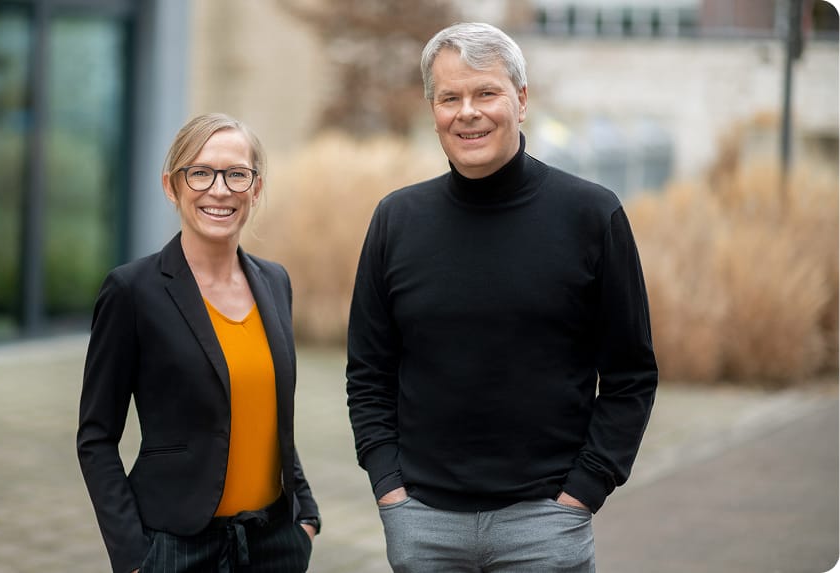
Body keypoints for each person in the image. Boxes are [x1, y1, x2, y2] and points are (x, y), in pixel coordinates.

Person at [345, 22, 658, 573]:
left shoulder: (591, 215)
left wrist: (583, 491)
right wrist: (390, 491)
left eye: (485, 92)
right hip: (423, 524)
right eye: (450, 97)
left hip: (545, 525)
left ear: (521, 99)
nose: (468, 111)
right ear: (433, 109)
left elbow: (631, 374)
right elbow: (368, 372)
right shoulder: (397, 220)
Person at [78, 112, 320, 573]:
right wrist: (132, 555)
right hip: (175, 547)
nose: (220, 189)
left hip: (273, 544)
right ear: (172, 186)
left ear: (256, 188)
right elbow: (96, 437)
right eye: (201, 172)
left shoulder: (275, 282)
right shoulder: (132, 291)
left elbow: (270, 415)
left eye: (236, 174)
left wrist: (304, 513)